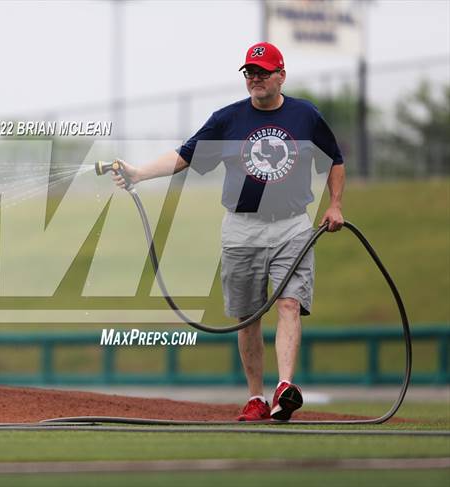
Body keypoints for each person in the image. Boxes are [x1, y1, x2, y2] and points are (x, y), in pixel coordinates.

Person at [111, 41, 345, 421]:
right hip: (242, 228)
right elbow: (184, 156)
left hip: (291, 225)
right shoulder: (227, 119)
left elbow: (334, 158)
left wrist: (335, 204)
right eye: (250, 73)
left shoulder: (305, 115)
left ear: (281, 76)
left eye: (263, 72)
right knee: (247, 317)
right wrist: (138, 173)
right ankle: (256, 397)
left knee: (289, 304)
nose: (255, 78)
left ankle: (284, 387)